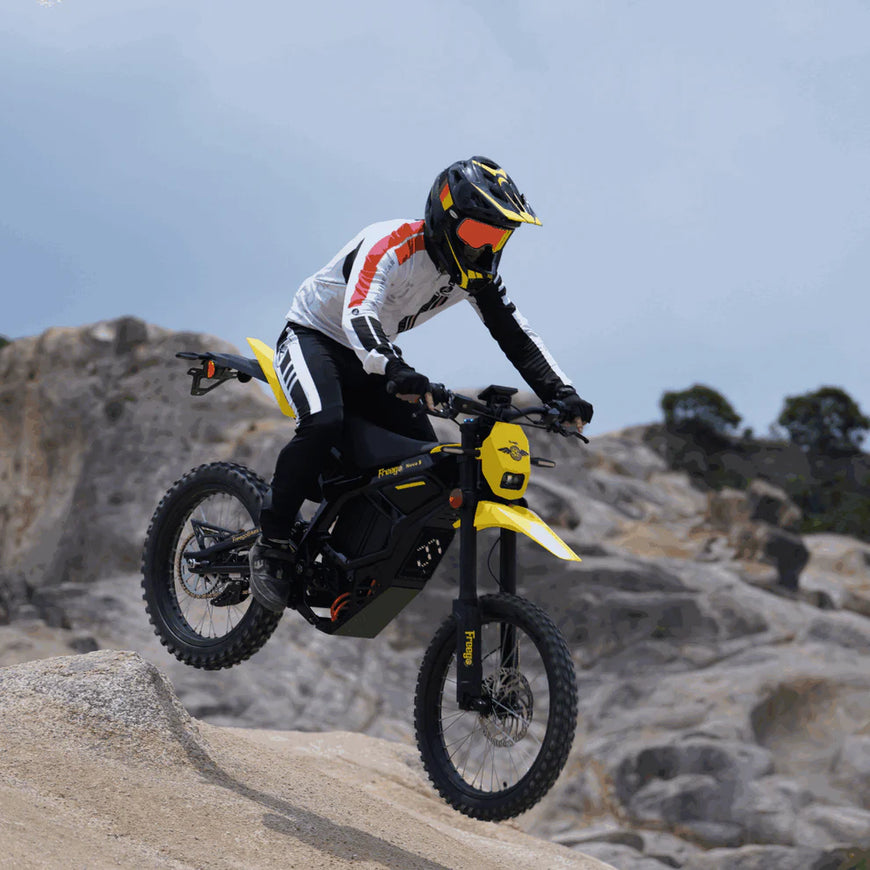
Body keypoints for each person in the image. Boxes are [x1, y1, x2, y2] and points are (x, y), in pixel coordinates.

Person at [249, 156, 594, 612]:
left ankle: (347, 564)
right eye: (477, 234)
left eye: (497, 236)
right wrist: (395, 368)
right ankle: (271, 544)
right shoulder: (391, 244)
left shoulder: (477, 275)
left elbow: (516, 336)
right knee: (322, 422)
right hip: (317, 337)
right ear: (444, 219)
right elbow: (360, 314)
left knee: (422, 465)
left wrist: (561, 393)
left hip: (377, 357)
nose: (484, 248)